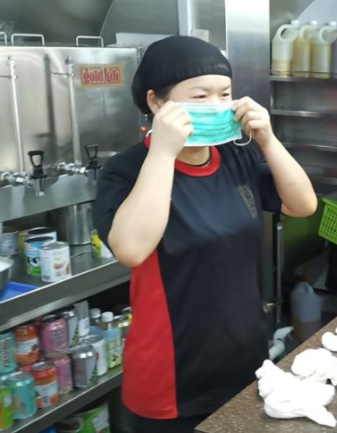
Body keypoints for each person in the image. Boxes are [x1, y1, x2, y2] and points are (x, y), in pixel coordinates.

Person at [94, 36, 317, 433]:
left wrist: (267, 139)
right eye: (200, 96)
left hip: (246, 363)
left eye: (225, 94)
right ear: (156, 102)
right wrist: (163, 152)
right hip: (171, 381)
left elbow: (303, 205)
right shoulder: (126, 170)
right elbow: (130, 249)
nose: (216, 105)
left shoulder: (237, 155)